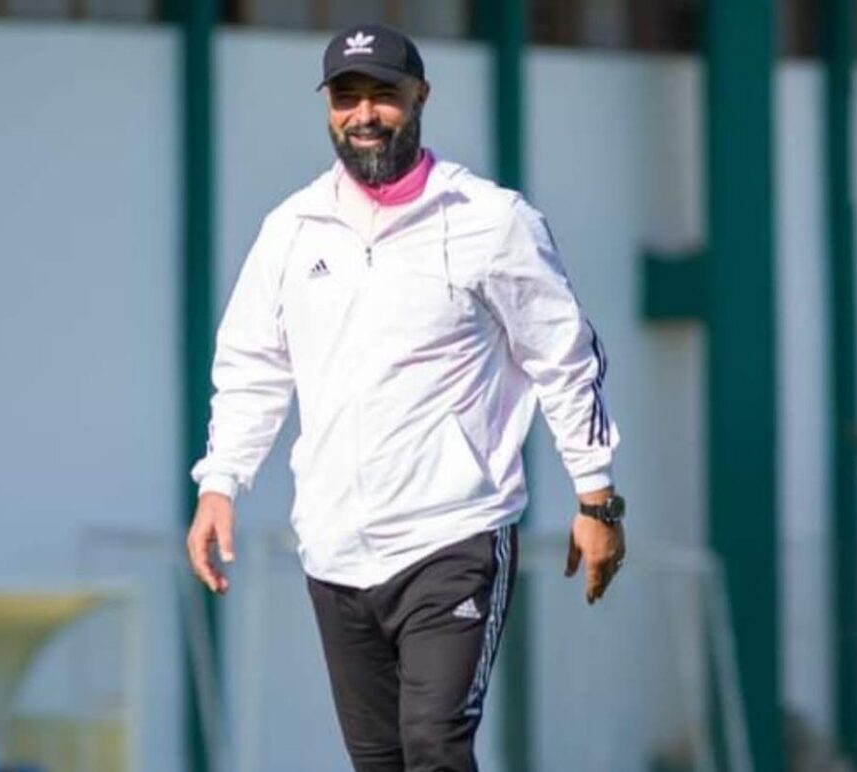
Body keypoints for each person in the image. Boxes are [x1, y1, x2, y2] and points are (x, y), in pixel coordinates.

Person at [186, 22, 625, 772]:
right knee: (381, 762)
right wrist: (220, 481)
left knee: (433, 744)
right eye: (346, 97)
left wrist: (598, 498)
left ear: (420, 96)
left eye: (382, 95)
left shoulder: (490, 220)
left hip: (454, 534)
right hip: (334, 548)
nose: (364, 114)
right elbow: (252, 364)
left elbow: (565, 357)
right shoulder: (291, 229)